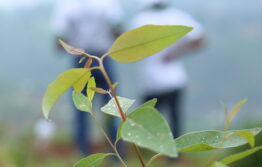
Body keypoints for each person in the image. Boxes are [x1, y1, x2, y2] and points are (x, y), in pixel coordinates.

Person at [51, 0, 124, 155]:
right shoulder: (108, 4)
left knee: (81, 108)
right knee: (112, 106)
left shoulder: (66, 5)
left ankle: (82, 151)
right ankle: (117, 152)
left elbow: (58, 39)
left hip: (81, 60)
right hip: (103, 59)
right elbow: (118, 29)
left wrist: (73, 46)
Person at [129, 0, 206, 138]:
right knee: (174, 120)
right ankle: (174, 154)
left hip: (150, 80)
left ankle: (153, 153)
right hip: (172, 78)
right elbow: (200, 38)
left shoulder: (140, 19)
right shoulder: (177, 16)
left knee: (148, 124)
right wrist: (178, 52)